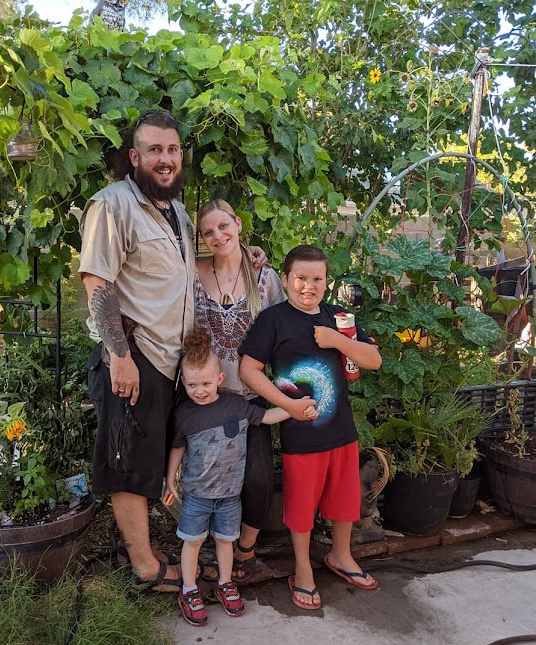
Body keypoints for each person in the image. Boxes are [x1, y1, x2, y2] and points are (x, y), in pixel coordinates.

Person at [78, 110, 265, 591]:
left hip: (166, 362)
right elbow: (97, 281)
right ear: (134, 156)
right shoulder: (113, 206)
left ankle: (142, 551)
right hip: (133, 356)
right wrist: (120, 357)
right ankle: (145, 567)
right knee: (128, 465)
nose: (165, 159)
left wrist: (242, 255)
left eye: (173, 149)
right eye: (155, 150)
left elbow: (183, 266)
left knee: (145, 461)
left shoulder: (176, 212)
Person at [239, 244, 382, 610]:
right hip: (300, 435)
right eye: (301, 278)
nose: (309, 286)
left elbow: (373, 360)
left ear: (326, 281)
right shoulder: (273, 320)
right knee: (302, 507)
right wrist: (286, 404)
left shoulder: (339, 318)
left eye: (317, 279)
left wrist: (337, 340)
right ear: (286, 279)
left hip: (341, 430)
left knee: (345, 499)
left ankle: (341, 555)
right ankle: (302, 568)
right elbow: (248, 369)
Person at [163, 326, 317, 626]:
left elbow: (267, 417)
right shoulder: (184, 414)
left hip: (230, 495)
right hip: (197, 495)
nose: (199, 391)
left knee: (225, 541)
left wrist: (295, 408)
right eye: (192, 385)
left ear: (220, 379)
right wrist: (170, 480)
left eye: (206, 383)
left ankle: (225, 583)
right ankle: (189, 589)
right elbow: (177, 448)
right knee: (192, 542)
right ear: (184, 382)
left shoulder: (236, 405)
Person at [194, 199, 287, 582]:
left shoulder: (265, 277)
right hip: (207, 399)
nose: (218, 236)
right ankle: (210, 551)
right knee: (209, 482)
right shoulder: (193, 272)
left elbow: (285, 328)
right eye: (208, 232)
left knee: (259, 480)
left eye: (223, 226)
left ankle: (245, 550)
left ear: (237, 224)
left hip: (252, 395)